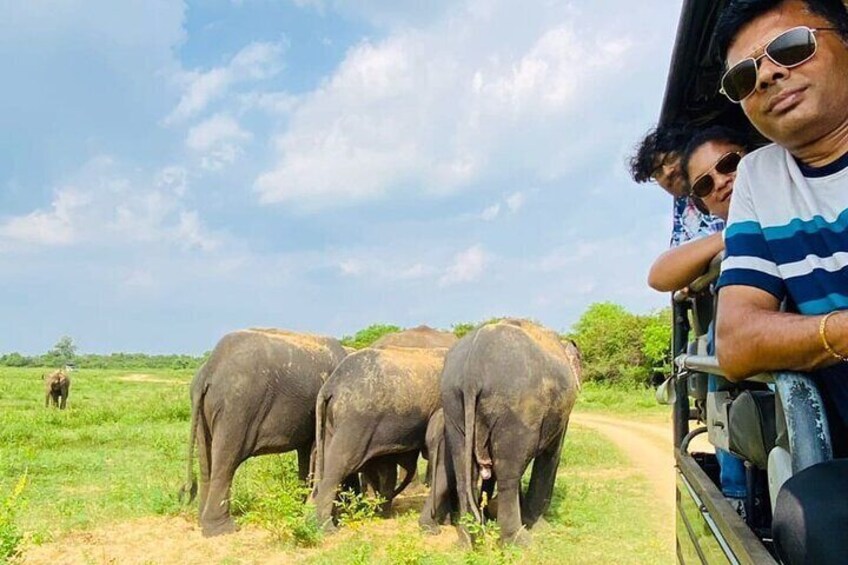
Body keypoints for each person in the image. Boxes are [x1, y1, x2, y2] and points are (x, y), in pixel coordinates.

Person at [711, 0, 848, 454]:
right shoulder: (760, 175)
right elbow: (736, 342)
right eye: (743, 78)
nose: (767, 74)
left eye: (791, 47)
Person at [649, 126, 755, 513]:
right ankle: (737, 492)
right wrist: (734, 234)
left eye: (730, 165)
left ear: (754, 156)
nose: (721, 183)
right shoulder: (698, 212)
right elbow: (661, 274)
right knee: (716, 345)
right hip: (728, 315)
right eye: (704, 185)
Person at [629, 125, 725, 248]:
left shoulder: (725, 180)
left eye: (671, 158)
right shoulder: (683, 208)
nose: (668, 172)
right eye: (658, 173)